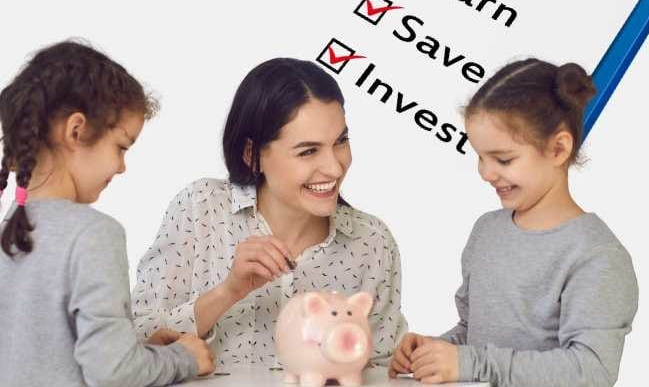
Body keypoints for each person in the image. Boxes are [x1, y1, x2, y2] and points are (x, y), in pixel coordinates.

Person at [132, 57, 407, 368]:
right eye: (308, 151)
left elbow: (383, 368)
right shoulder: (200, 209)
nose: (335, 166)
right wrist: (229, 291)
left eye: (341, 141)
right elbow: (135, 338)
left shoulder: (371, 241)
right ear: (252, 155)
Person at [391, 58, 638, 387]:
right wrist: (434, 351)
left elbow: (591, 370)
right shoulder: (487, 231)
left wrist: (468, 362)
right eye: (480, 156)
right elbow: (474, 336)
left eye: (503, 159)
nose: (485, 173)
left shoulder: (597, 256)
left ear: (558, 148)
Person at [0, 39, 214, 386]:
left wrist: (139, 353)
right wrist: (183, 358)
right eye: (121, 147)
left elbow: (49, 356)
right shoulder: (93, 234)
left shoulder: (10, 229)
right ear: (77, 130)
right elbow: (112, 375)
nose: (122, 167)